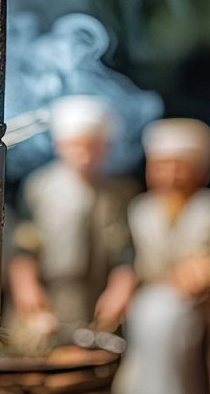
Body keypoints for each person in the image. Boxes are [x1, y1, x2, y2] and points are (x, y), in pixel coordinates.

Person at [112, 117, 210, 394]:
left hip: (197, 307)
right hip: (147, 303)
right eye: (162, 166)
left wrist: (209, 271)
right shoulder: (141, 209)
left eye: (181, 166)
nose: (171, 175)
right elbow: (131, 261)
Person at [8, 95, 138, 343]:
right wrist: (27, 288)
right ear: (60, 145)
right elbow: (24, 246)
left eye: (93, 146)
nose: (84, 155)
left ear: (106, 147)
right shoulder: (38, 188)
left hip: (95, 296)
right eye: (76, 145)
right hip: (49, 294)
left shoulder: (119, 193)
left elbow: (125, 253)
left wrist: (120, 287)